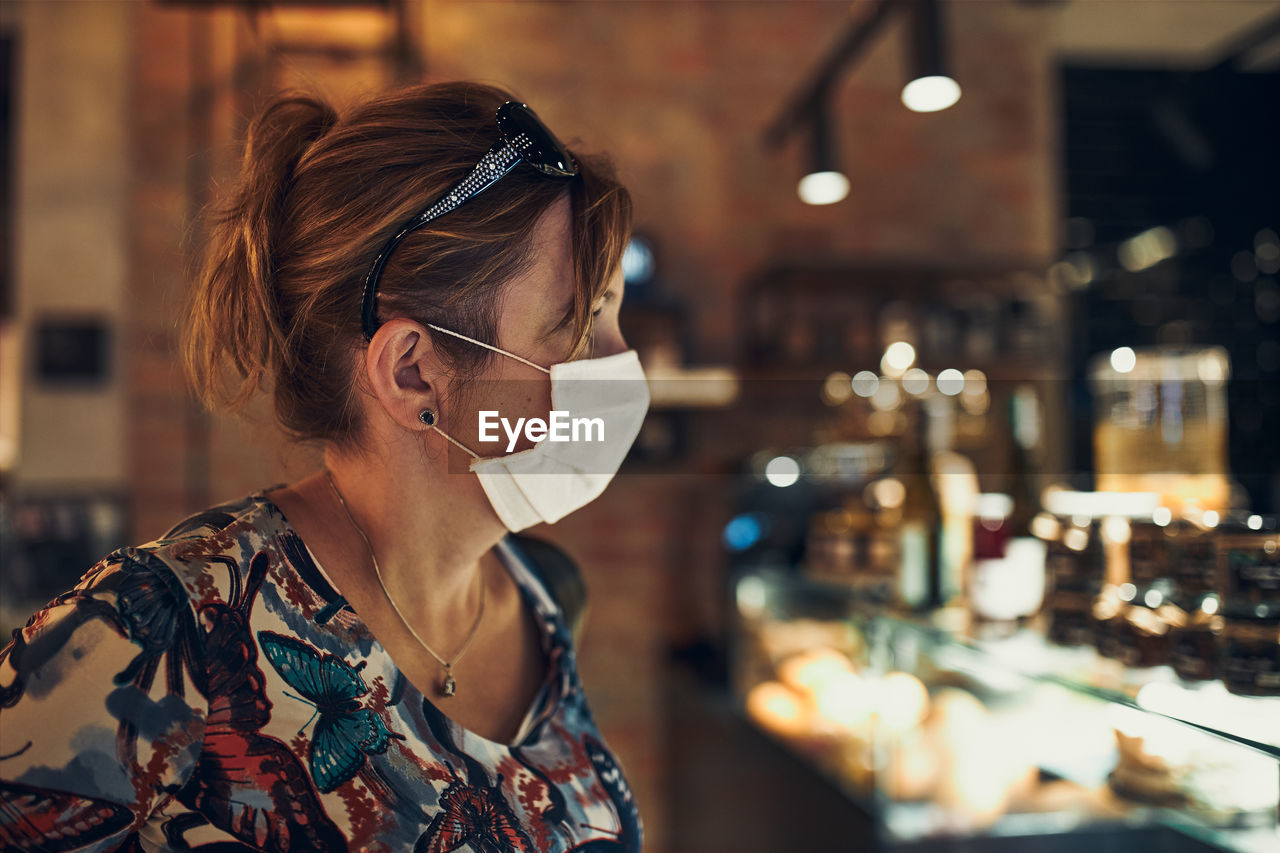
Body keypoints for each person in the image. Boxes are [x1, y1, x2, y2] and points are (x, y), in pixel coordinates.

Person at [0, 81, 648, 852]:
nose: (622, 365)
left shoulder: (539, 593)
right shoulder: (158, 633)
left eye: (612, 315)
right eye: (576, 327)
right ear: (413, 373)